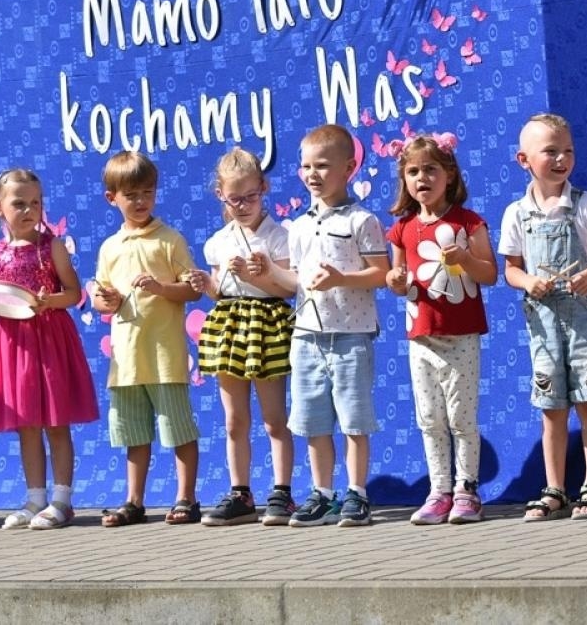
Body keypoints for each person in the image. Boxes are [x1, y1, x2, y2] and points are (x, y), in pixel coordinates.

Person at [498, 114, 587, 521]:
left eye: (567, 150)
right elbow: (510, 269)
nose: (561, 159)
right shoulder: (517, 213)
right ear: (524, 160)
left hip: (586, 322)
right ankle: (554, 488)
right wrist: (528, 281)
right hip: (544, 325)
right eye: (550, 151)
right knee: (551, 407)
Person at [0, 168, 99, 530]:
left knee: (56, 421)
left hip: (50, 338)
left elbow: (74, 293)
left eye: (36, 203)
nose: (29, 210)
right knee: (26, 424)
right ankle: (34, 499)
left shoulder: (51, 247)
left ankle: (62, 500)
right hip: (13, 344)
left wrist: (49, 301)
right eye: (19, 204)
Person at [384, 133, 496, 525]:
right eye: (413, 172)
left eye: (430, 169)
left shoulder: (469, 222)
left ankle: (467, 491)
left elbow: (490, 274)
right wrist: (395, 282)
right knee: (429, 419)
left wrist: (465, 258)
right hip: (422, 337)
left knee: (461, 418)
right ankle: (439, 492)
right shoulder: (402, 228)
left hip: (461, 336)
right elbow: (398, 278)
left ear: (449, 174)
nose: (422, 179)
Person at [88, 151, 202, 527]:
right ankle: (134, 501)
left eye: (147, 193)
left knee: (178, 430)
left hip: (164, 356)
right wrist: (106, 300)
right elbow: (103, 296)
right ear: (112, 198)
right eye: (131, 195)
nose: (140, 201)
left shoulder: (169, 240)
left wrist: (161, 287)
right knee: (134, 434)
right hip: (126, 361)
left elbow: (193, 289)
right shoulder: (110, 247)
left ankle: (186, 498)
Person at [284, 123, 390, 528]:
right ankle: (322, 494)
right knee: (313, 420)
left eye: (323, 165)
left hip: (351, 334)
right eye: (306, 166)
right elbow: (295, 279)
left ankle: (357, 493)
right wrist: (259, 273)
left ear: (349, 168)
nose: (313, 174)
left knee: (354, 418)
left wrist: (341, 278)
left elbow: (381, 273)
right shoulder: (297, 226)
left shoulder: (362, 220)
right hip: (307, 336)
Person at [186, 148, 298, 527]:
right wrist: (206, 282)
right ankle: (241, 493)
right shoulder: (219, 240)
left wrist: (256, 276)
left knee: (274, 418)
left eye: (250, 196)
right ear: (220, 194)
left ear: (264, 188)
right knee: (234, 420)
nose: (243, 206)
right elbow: (220, 292)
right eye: (235, 199)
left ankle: (281, 492)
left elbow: (287, 289)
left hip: (267, 323)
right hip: (230, 325)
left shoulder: (279, 236)